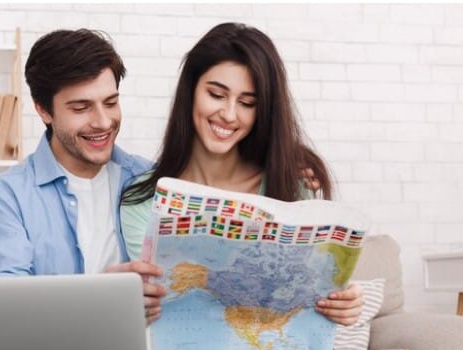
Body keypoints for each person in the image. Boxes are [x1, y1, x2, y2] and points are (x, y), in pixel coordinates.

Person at [120, 22, 363, 328]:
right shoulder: (143, 199)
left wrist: (344, 302)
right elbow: (151, 309)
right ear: (191, 90)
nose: (230, 114)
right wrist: (132, 302)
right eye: (216, 94)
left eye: (247, 103)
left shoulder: (290, 183)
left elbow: (312, 291)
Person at [0, 29, 166, 323]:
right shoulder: (4, 198)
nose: (102, 122)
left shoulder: (150, 182)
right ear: (43, 110)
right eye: (81, 107)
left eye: (110, 103)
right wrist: (101, 298)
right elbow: (2, 312)